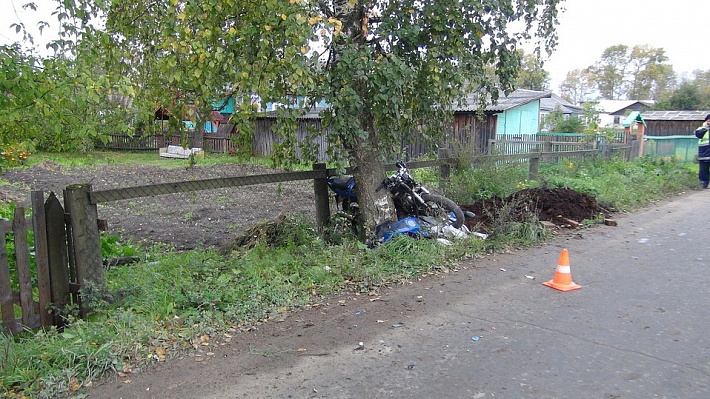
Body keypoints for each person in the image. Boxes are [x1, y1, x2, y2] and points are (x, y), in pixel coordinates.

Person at [694, 114, 710, 189]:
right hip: (704, 154)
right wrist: (706, 128)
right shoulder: (701, 129)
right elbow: (698, 134)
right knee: (703, 171)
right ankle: (704, 183)